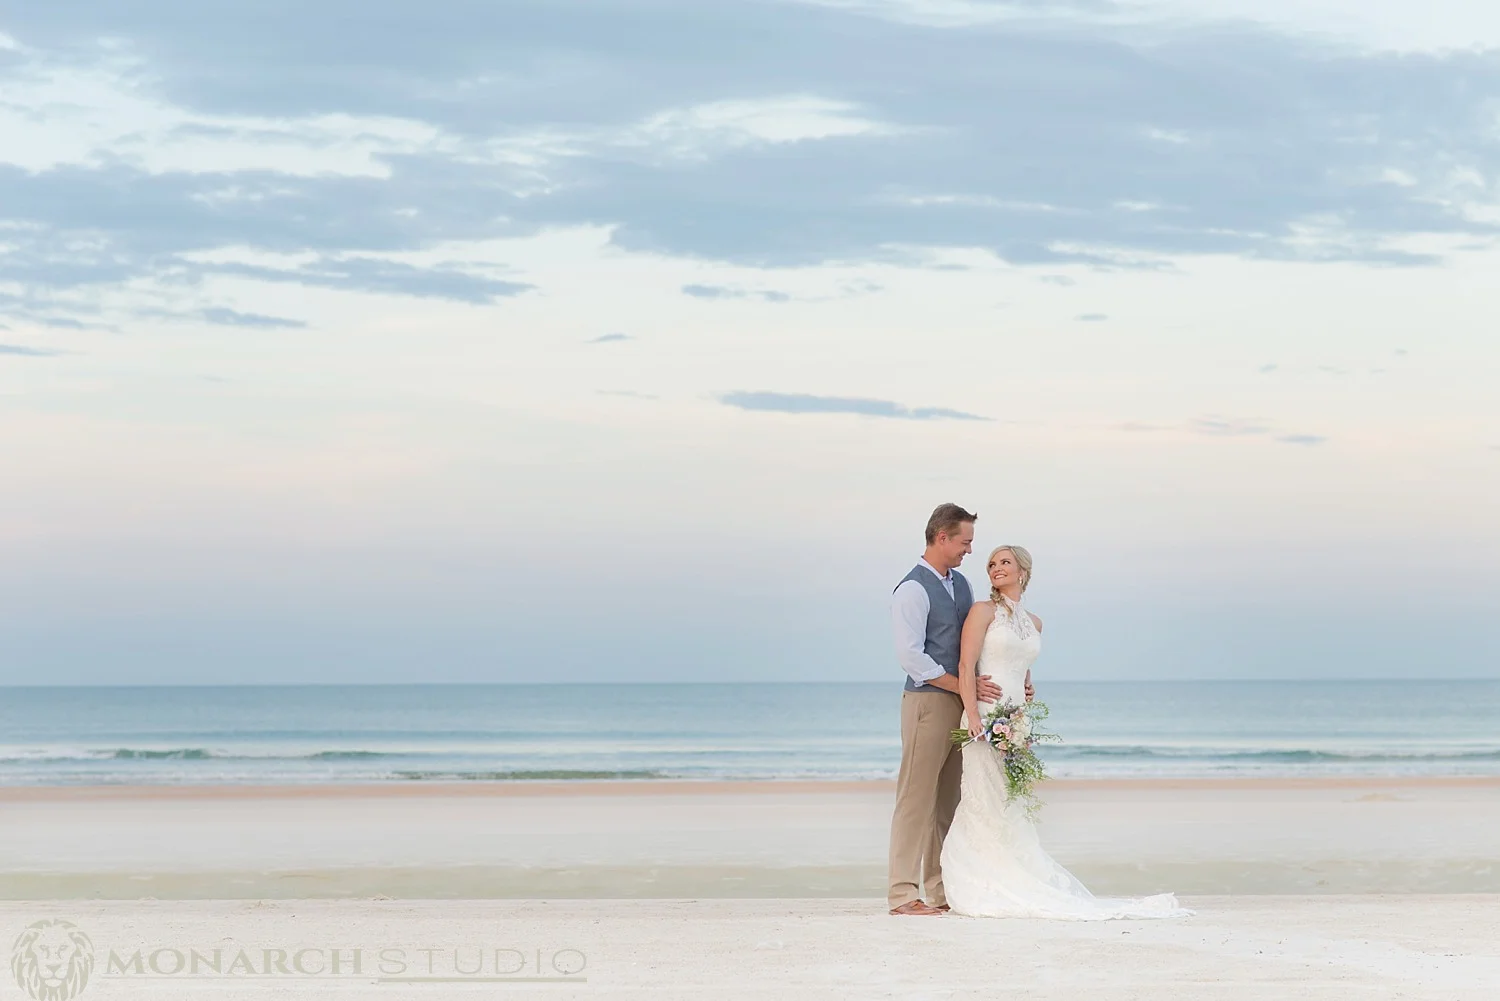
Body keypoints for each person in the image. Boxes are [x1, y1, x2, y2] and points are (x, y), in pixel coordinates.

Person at [938, 545, 1190, 919]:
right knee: (983, 796)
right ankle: (980, 879)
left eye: (1004, 562)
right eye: (991, 563)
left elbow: (1021, 663)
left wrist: (1028, 686)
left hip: (1016, 718)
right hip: (986, 715)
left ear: (1023, 571)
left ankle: (1014, 871)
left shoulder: (1035, 622)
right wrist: (973, 714)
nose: (996, 568)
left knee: (1011, 799)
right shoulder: (982, 612)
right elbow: (965, 662)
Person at [886, 504, 1030, 916]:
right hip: (927, 703)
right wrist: (958, 685)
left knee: (947, 800)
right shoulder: (912, 589)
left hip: (963, 705)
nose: (969, 550)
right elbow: (910, 657)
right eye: (965, 542)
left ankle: (941, 889)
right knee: (916, 798)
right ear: (942, 537)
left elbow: (978, 645)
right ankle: (901, 893)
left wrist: (1013, 679)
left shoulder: (962, 585)